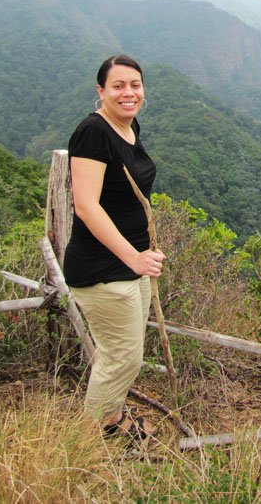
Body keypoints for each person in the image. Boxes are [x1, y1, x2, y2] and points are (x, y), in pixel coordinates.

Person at [63, 54, 165, 440]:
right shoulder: (93, 132)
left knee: (126, 355)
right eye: (118, 86)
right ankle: (89, 437)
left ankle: (113, 417)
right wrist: (134, 257)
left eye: (135, 85)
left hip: (133, 264)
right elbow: (87, 206)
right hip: (102, 267)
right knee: (122, 357)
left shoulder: (128, 125)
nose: (128, 93)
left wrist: (143, 254)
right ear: (101, 90)